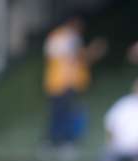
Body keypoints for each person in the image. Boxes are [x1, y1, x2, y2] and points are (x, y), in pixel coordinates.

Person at [43, 15, 107, 149]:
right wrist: (93, 51)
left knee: (68, 113)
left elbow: (80, 60)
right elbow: (73, 58)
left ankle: (64, 142)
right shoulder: (62, 37)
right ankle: (56, 142)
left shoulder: (69, 37)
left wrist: (92, 53)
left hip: (69, 83)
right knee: (60, 113)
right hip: (62, 83)